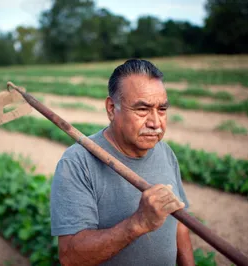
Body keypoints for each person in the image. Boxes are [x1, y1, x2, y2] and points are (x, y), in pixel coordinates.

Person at [50, 59, 194, 266]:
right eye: (142, 109)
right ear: (111, 108)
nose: (155, 123)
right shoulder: (77, 162)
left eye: (162, 109)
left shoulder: (165, 152)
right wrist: (138, 223)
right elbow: (71, 257)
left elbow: (179, 223)